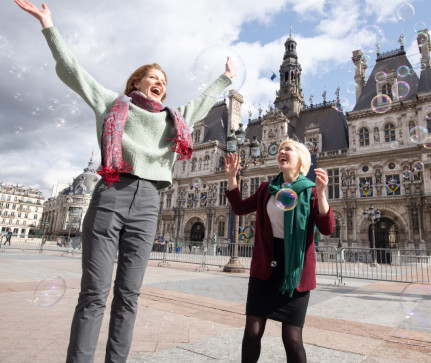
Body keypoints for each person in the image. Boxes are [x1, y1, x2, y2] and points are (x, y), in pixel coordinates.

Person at [15, 1, 235, 362]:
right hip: (111, 195)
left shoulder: (173, 120)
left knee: (129, 295)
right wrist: (47, 24)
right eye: (154, 79)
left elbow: (203, 100)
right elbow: (73, 72)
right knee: (94, 293)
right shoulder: (113, 104)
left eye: (164, 83)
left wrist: (225, 77)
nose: (161, 85)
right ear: (137, 82)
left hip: (150, 203)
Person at [224, 139, 334, 363]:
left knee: (292, 339)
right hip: (265, 267)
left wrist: (322, 195)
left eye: (288, 149)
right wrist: (231, 179)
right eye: (280, 149)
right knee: (252, 332)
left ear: (301, 159)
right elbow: (240, 208)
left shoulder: (311, 191)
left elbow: (327, 229)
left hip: (295, 271)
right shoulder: (267, 188)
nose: (282, 151)